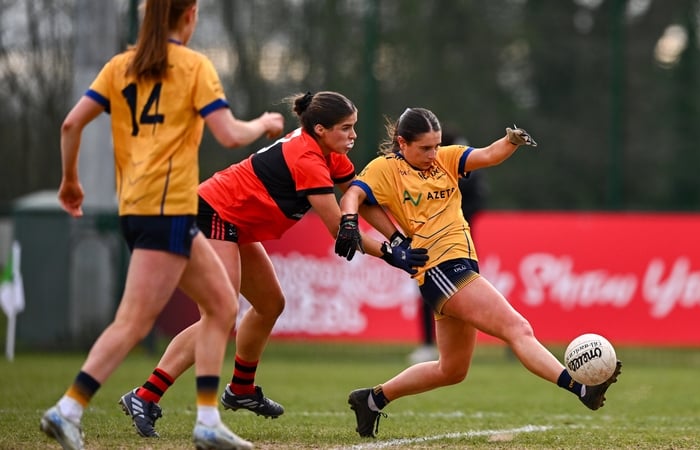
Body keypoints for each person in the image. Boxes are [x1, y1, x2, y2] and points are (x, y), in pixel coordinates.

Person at [39, 2, 285, 449]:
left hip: (136, 207)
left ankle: (208, 420)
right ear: (188, 16)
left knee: (221, 306)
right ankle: (68, 408)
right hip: (167, 208)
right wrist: (264, 123)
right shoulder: (193, 66)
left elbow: (71, 123)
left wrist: (70, 181)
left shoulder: (119, 66)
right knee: (134, 321)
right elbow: (229, 134)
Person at [117, 91, 428, 439]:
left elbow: (361, 204)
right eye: (345, 128)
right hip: (213, 214)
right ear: (321, 129)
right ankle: (144, 395)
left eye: (354, 127)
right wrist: (390, 254)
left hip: (238, 225)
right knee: (219, 314)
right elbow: (339, 228)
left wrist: (400, 239)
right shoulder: (308, 158)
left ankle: (242, 389)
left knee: (269, 304)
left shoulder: (332, 155)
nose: (353, 135)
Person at [335, 108, 623, 438]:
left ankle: (371, 400)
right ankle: (581, 389)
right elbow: (354, 194)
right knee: (518, 328)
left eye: (437, 145)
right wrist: (349, 222)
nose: (433, 154)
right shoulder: (387, 170)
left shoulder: (446, 158)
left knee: (451, 370)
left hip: (457, 267)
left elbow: (487, 155)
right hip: (439, 268)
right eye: (425, 148)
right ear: (402, 143)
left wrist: (510, 141)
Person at [407, 128, 487, 364]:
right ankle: (428, 345)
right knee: (427, 293)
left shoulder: (461, 168)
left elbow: (479, 197)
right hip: (428, 244)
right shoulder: (425, 170)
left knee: (463, 295)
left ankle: (453, 348)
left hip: (459, 241)